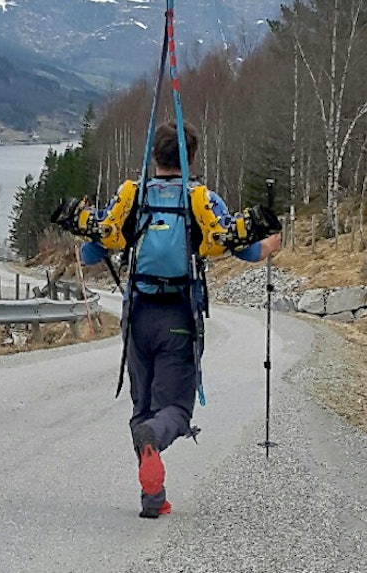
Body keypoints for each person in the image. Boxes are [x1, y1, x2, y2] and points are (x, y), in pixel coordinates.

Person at [79, 122, 281, 518]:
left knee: (143, 406)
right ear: (191, 157)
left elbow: (90, 254)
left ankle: (153, 499)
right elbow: (245, 249)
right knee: (174, 409)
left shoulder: (133, 197)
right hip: (179, 315)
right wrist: (271, 243)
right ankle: (155, 443)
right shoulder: (201, 200)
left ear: (155, 155)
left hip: (137, 314)